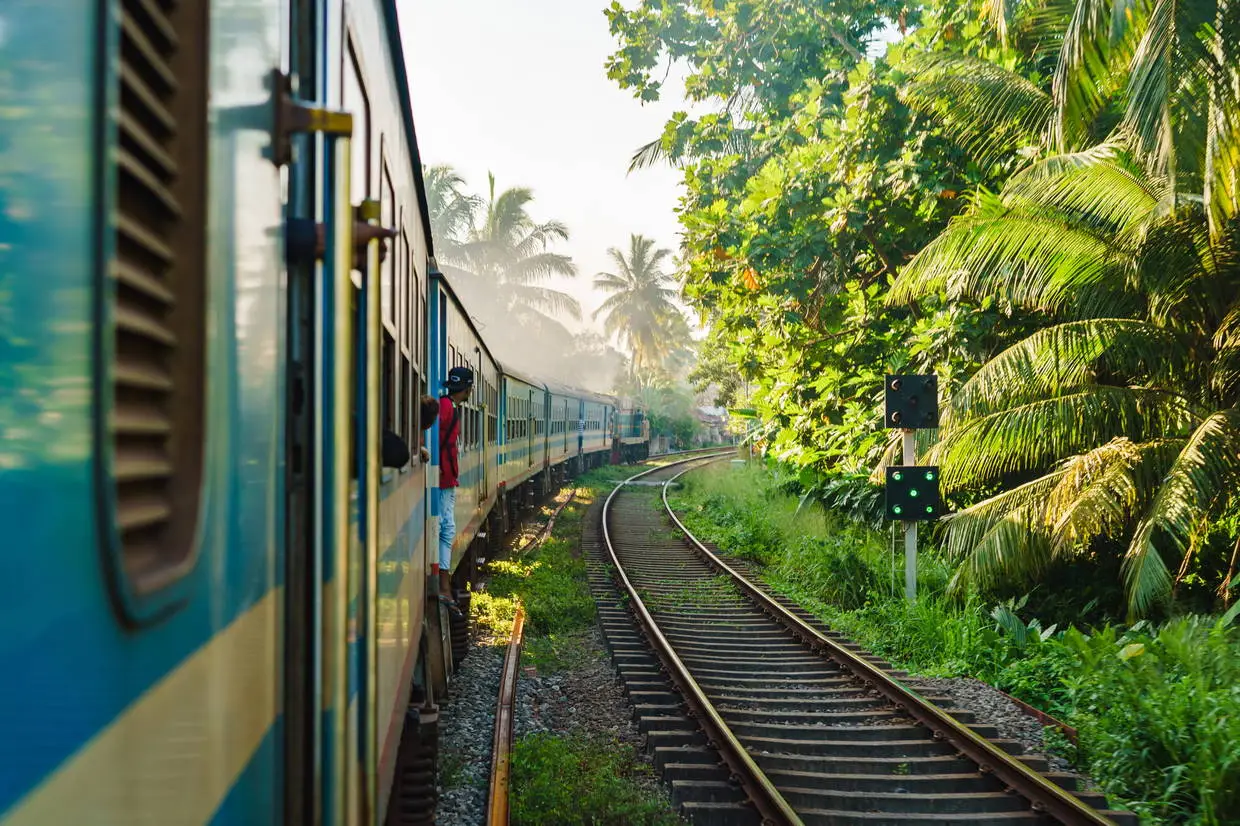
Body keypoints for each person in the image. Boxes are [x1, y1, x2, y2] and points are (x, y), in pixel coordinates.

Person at [436, 367, 474, 609]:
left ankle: (444, 581)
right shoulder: (446, 407)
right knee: (444, 527)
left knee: (447, 527)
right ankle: (442, 584)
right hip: (443, 479)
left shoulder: (449, 406)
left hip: (448, 478)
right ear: (468, 388)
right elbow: (434, 437)